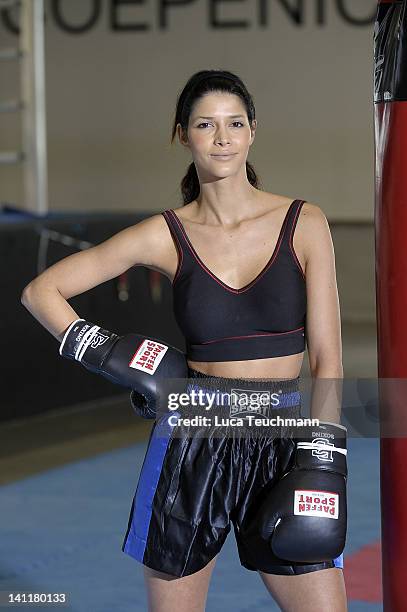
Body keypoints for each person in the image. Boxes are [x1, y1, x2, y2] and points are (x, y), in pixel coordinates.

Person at [21, 69, 347, 611]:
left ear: (252, 132)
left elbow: (330, 356)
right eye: (205, 124)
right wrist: (101, 349)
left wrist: (324, 452)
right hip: (195, 438)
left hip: (288, 437)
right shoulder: (163, 234)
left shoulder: (304, 222)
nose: (222, 137)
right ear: (183, 135)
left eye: (234, 123)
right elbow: (42, 291)